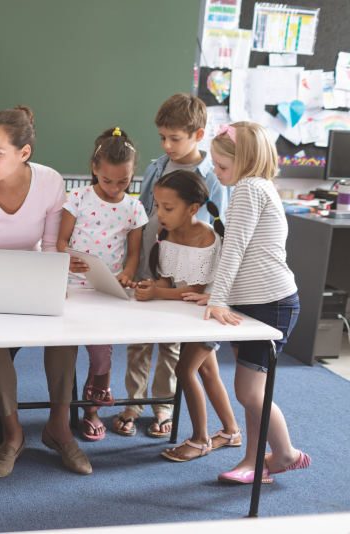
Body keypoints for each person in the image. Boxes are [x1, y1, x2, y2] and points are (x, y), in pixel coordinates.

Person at [0, 105, 91, 477]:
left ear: (24, 153)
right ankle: (12, 436)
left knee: (64, 334)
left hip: (31, 277)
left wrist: (53, 281)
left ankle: (58, 428)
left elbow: (50, 245)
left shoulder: (50, 181)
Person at [185, 121, 310, 484]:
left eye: (222, 167)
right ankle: (254, 462)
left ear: (245, 161)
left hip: (272, 303)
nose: (218, 175)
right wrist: (217, 294)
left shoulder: (250, 189)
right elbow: (239, 251)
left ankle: (285, 454)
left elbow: (236, 249)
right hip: (256, 301)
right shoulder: (257, 187)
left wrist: (219, 299)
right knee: (252, 392)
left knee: (250, 391)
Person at [115, 93, 229, 439]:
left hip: (186, 275)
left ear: (198, 134)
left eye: (174, 138)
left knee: (171, 345)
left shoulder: (212, 177)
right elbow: (143, 214)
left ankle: (162, 406)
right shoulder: (156, 167)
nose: (166, 145)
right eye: (162, 137)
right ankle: (132, 404)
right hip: (152, 264)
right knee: (138, 342)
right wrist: (133, 264)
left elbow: (216, 229)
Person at [133, 170, 240, 462]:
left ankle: (200, 439)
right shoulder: (164, 233)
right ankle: (231, 431)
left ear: (193, 208)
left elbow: (192, 289)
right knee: (207, 371)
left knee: (185, 371)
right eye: (157, 206)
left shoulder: (205, 236)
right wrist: (153, 286)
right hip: (187, 316)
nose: (160, 214)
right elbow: (170, 280)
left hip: (208, 315)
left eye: (168, 208)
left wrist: (157, 294)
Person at [56, 127, 147, 441]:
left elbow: (134, 254)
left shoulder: (134, 208)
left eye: (123, 181)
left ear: (133, 173)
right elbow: (61, 241)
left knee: (102, 354)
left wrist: (127, 274)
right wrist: (68, 257)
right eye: (107, 180)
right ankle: (61, 409)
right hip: (72, 286)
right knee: (64, 352)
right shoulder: (78, 198)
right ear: (95, 168)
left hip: (107, 290)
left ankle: (91, 411)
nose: (114, 188)